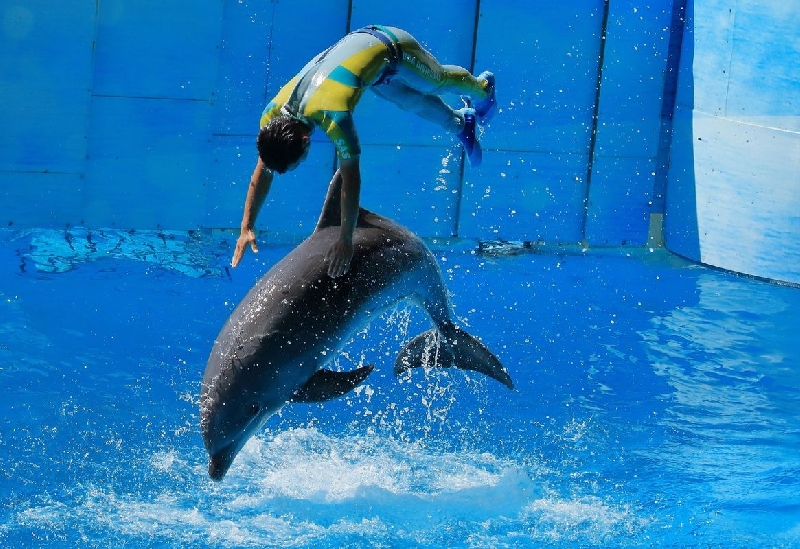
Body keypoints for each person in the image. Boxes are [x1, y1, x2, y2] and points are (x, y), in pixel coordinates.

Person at [231, 24, 496, 277]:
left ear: (305, 141)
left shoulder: (334, 116)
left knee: (435, 82)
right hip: (372, 67)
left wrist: (346, 239)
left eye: (298, 162)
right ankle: (463, 123)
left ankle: (482, 90)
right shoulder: (271, 120)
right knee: (412, 102)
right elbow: (262, 170)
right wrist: (247, 226)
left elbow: (351, 179)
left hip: (391, 45)